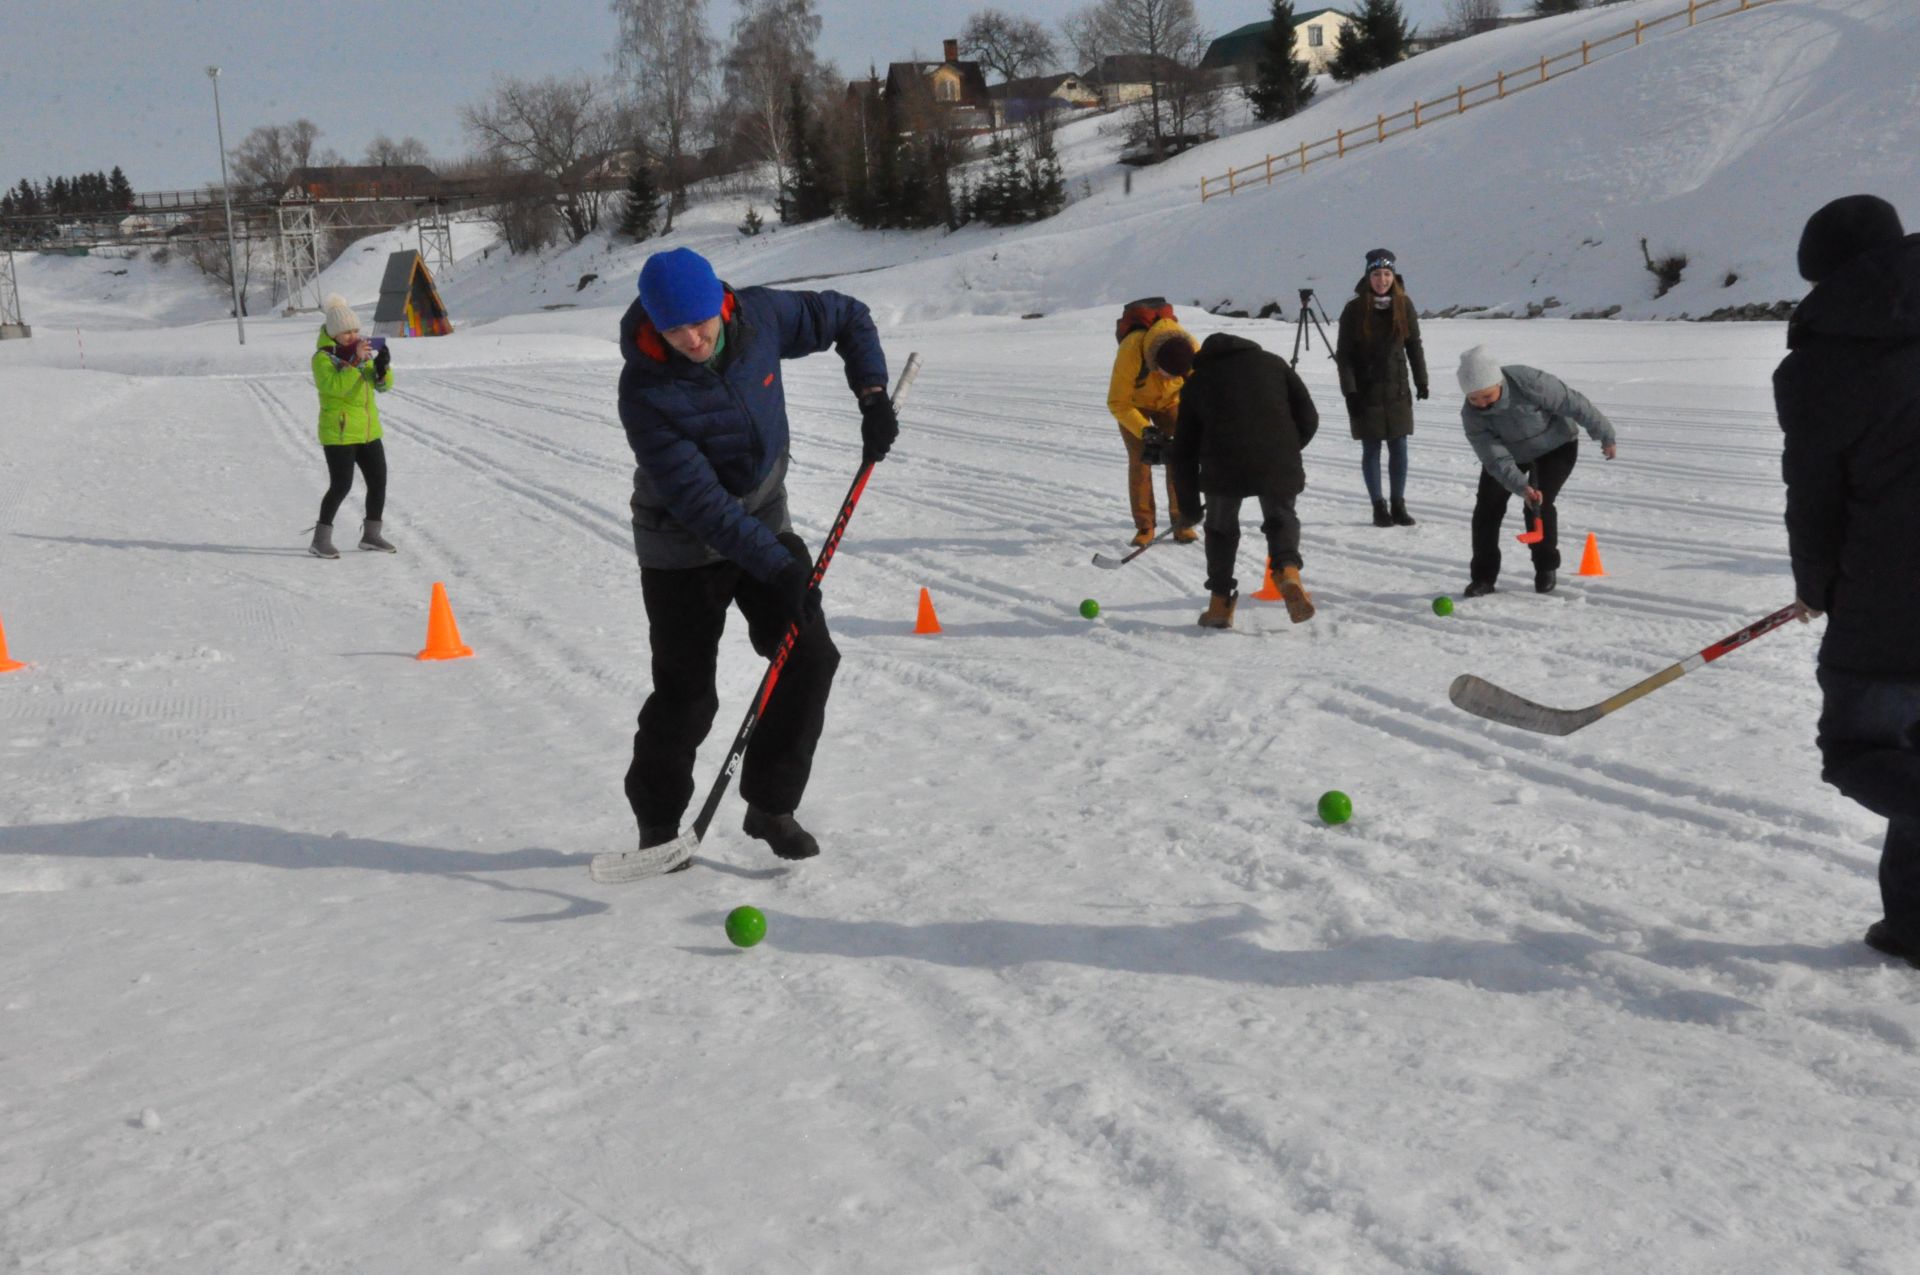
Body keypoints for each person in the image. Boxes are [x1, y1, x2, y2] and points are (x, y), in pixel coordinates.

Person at [616, 247, 895, 867]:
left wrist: (872, 394)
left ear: (720, 301)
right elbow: (702, 503)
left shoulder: (761, 317)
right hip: (681, 544)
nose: (691, 338)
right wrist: (781, 568)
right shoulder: (644, 391)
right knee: (687, 697)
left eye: (701, 322)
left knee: (809, 656)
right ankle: (659, 825)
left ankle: (770, 804)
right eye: (674, 329)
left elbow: (849, 316)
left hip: (763, 516)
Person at [1774, 193, 1920, 968]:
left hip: (1892, 598)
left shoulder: (1822, 362)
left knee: (1857, 749)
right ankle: (1912, 926)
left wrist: (1818, 582)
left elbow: (1816, 496)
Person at [1170, 332, 1320, 628]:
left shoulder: (1197, 382)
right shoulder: (1274, 364)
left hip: (1223, 466)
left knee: (1220, 530)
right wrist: (1287, 448)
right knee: (1281, 518)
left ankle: (1220, 605)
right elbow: (1309, 417)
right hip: (1278, 458)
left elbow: (1183, 452)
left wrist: (1188, 509)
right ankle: (1287, 572)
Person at [1456, 346, 1617, 596]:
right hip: (1510, 454)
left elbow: (1574, 403)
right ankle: (1483, 578)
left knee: (1538, 503)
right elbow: (1495, 458)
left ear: (1498, 382)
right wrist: (1521, 485)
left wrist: (1605, 435)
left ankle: (1545, 568)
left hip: (1555, 446)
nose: (1481, 404)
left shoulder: (1527, 381)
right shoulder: (1471, 416)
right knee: (1487, 509)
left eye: (1486, 396)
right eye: (1473, 399)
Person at [1335, 247, 1429, 528]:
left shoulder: (1404, 305)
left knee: (1399, 447)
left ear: (1394, 276)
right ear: (1368, 276)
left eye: (1387, 274)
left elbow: (1414, 345)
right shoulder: (1354, 309)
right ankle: (1379, 506)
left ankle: (1398, 504)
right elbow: (1345, 355)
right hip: (1366, 390)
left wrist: (1421, 379)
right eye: (1377, 274)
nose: (1382, 280)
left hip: (1397, 389)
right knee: (1372, 448)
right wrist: (1349, 391)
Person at [309, 294, 396, 558]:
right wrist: (356, 361)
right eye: (346, 332)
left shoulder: (361, 352)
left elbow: (381, 387)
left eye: (355, 330)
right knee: (341, 485)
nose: (352, 335)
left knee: (378, 482)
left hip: (368, 431)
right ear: (334, 333)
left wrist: (382, 369)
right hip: (339, 433)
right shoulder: (322, 358)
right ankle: (320, 540)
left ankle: (372, 535)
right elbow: (333, 388)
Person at [1107, 303, 1199, 546]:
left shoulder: (1190, 348)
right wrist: (1144, 430)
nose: (1169, 378)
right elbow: (1117, 402)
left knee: (1180, 457)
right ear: (1154, 361)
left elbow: (1203, 387)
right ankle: (1144, 525)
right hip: (1134, 404)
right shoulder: (1131, 350)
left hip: (1170, 402)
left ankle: (1182, 522)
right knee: (1141, 460)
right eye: (1166, 373)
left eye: (1175, 376)